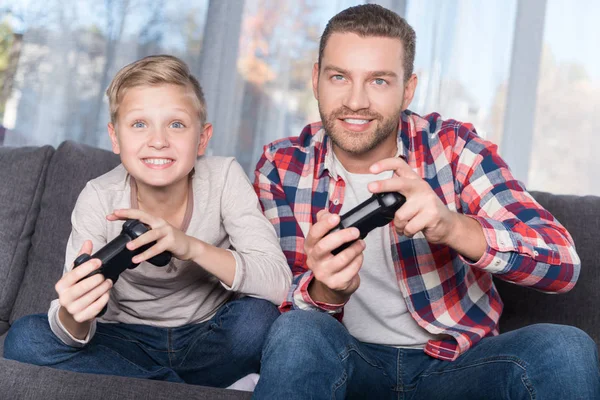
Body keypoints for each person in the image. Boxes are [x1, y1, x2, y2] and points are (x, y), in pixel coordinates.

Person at [252, 4, 599, 399]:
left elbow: (563, 265)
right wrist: (327, 292)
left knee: (565, 347)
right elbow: (274, 303)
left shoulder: (453, 147)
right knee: (299, 331)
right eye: (339, 77)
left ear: (408, 89)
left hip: (458, 368)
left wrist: (452, 227)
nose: (356, 101)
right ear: (316, 79)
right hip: (351, 364)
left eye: (379, 81)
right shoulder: (282, 166)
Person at [3, 55, 291, 388]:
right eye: (139, 124)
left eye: (177, 124)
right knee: (25, 337)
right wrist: (73, 314)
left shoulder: (223, 176)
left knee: (259, 319)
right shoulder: (99, 195)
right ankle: (177, 389)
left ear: (202, 138)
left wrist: (190, 246)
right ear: (115, 138)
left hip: (208, 338)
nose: (158, 140)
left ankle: (149, 388)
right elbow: (74, 329)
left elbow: (279, 283)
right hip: (123, 342)